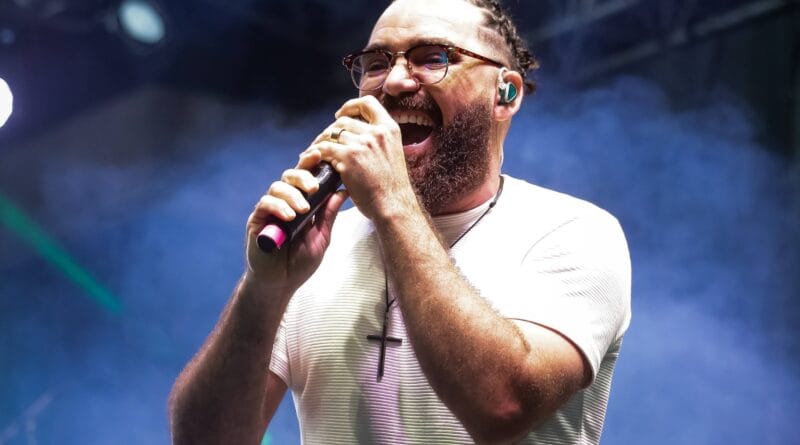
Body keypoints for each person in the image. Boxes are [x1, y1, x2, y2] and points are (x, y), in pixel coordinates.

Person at [168, 0, 631, 443]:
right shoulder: (320, 248)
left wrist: (392, 202)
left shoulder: (574, 232)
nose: (393, 82)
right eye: (375, 63)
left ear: (504, 93)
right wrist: (263, 289)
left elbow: (502, 408)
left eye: (432, 58)